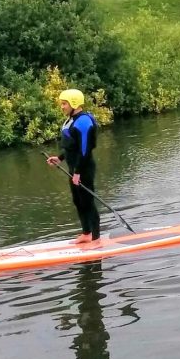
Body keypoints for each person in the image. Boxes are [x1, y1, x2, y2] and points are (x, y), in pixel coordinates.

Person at [46, 89, 102, 244]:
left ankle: (96, 238)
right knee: (78, 201)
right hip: (74, 169)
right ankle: (86, 234)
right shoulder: (71, 120)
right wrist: (59, 158)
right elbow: (71, 147)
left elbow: (85, 150)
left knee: (87, 202)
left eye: (64, 104)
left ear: (74, 103)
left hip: (84, 169)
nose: (62, 107)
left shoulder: (84, 121)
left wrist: (78, 173)